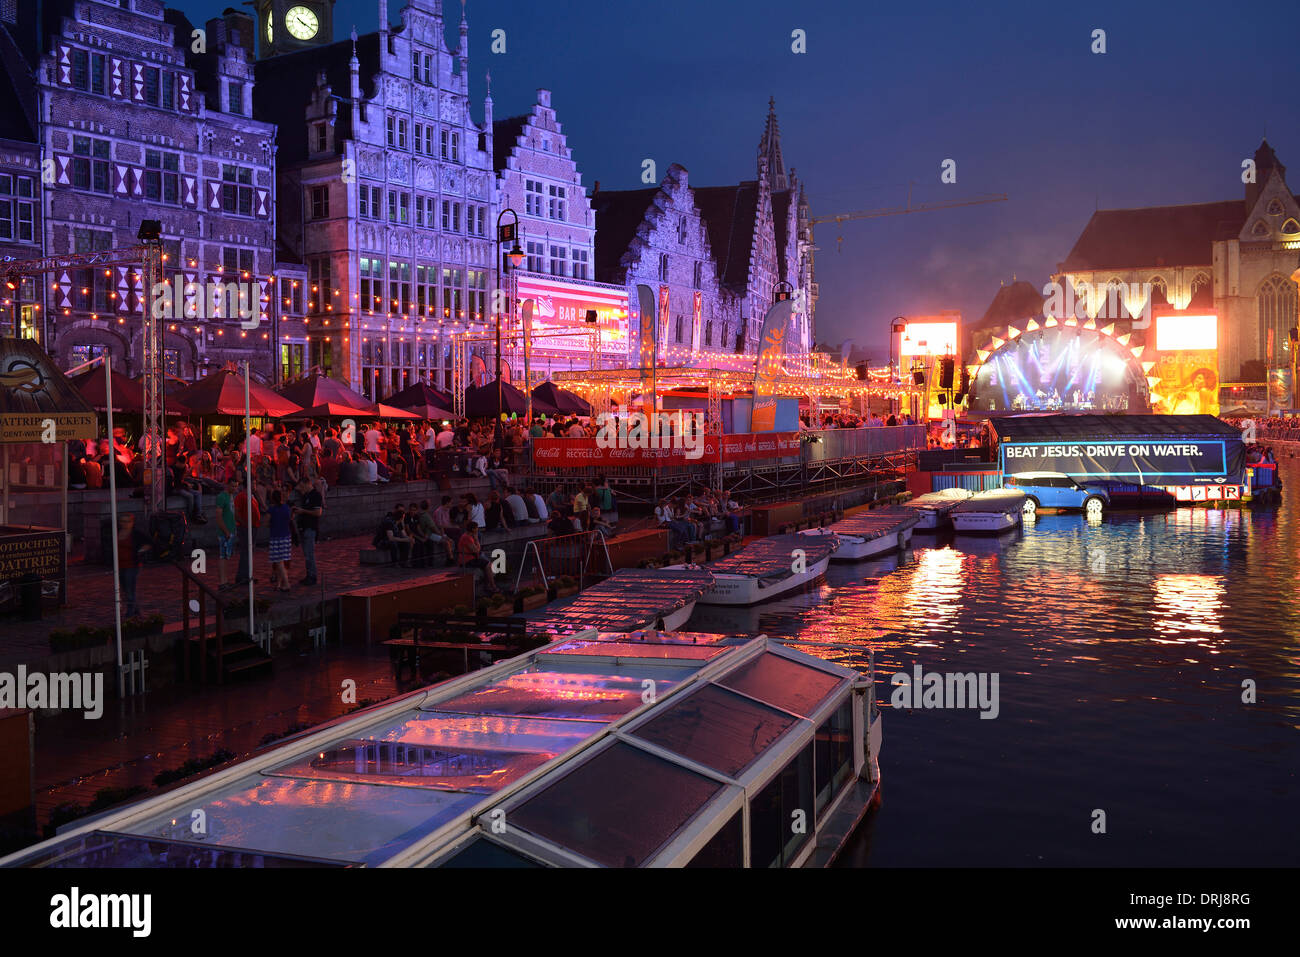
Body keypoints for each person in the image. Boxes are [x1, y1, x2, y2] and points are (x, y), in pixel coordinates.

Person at [115, 513, 152, 619]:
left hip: (132, 565)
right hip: (120, 565)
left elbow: (149, 542)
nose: (125, 524)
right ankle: (136, 610)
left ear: (132, 522)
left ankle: (130, 612)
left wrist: (140, 551)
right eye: (123, 521)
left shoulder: (136, 534)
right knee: (124, 588)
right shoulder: (117, 532)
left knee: (130, 588)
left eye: (128, 521)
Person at [291, 476, 323, 586]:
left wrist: (303, 511)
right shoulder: (305, 496)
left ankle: (312, 576)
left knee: (309, 553)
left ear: (306, 483)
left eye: (301, 486)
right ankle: (309, 574)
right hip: (304, 527)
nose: (300, 489)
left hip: (311, 527)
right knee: (306, 553)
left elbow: (318, 512)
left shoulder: (316, 495)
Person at [457, 520, 497, 593]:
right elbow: (476, 550)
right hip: (466, 560)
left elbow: (477, 549)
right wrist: (476, 539)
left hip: (472, 558)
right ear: (473, 529)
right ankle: (492, 586)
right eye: (476, 528)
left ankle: (489, 585)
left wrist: (476, 542)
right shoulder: (466, 537)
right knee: (487, 565)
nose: (478, 529)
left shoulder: (469, 536)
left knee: (488, 563)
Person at [267, 489, 293, 591]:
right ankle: (279, 583)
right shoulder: (287, 508)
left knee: (278, 561)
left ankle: (286, 583)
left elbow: (266, 522)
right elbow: (290, 519)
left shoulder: (272, 510)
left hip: (276, 537)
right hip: (286, 536)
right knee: (283, 560)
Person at [215, 480, 238, 588]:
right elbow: (218, 517)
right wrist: (226, 531)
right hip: (225, 532)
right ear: (227, 485)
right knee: (223, 556)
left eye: (236, 486)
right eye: (232, 486)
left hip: (231, 529)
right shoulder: (222, 497)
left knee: (226, 556)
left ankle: (225, 579)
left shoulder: (231, 497)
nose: (234, 488)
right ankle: (222, 581)